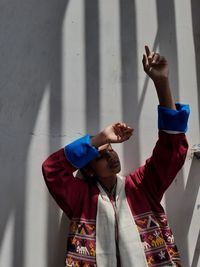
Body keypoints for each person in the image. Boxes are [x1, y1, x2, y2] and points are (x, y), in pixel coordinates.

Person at [42, 46, 190, 267]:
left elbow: (171, 150)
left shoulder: (141, 187)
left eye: (111, 149)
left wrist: (161, 84)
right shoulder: (81, 198)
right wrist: (98, 139)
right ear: (89, 169)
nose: (111, 155)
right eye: (101, 155)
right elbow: (52, 170)